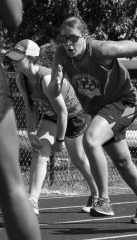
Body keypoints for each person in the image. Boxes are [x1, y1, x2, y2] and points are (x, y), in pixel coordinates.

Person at [50, 16, 137, 223]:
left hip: (125, 103)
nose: (68, 44)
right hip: (100, 111)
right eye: (63, 38)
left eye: (73, 38)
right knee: (121, 160)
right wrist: (56, 83)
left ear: (85, 37)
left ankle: (103, 200)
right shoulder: (61, 54)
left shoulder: (102, 50)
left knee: (91, 140)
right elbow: (53, 91)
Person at [5, 39, 99, 215]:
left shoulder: (46, 79)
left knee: (77, 159)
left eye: (18, 58)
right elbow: (29, 106)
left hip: (72, 115)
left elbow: (63, 112)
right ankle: (32, 200)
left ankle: (97, 194)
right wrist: (31, 132)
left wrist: (59, 140)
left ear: (32, 58)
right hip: (52, 114)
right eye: (12, 57)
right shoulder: (21, 79)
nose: (13, 61)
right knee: (39, 149)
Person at [0, 0, 45, 240]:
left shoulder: (49, 77)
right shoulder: (20, 79)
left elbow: (65, 109)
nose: (15, 63)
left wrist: (59, 133)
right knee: (10, 186)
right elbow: (13, 15)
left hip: (63, 119)